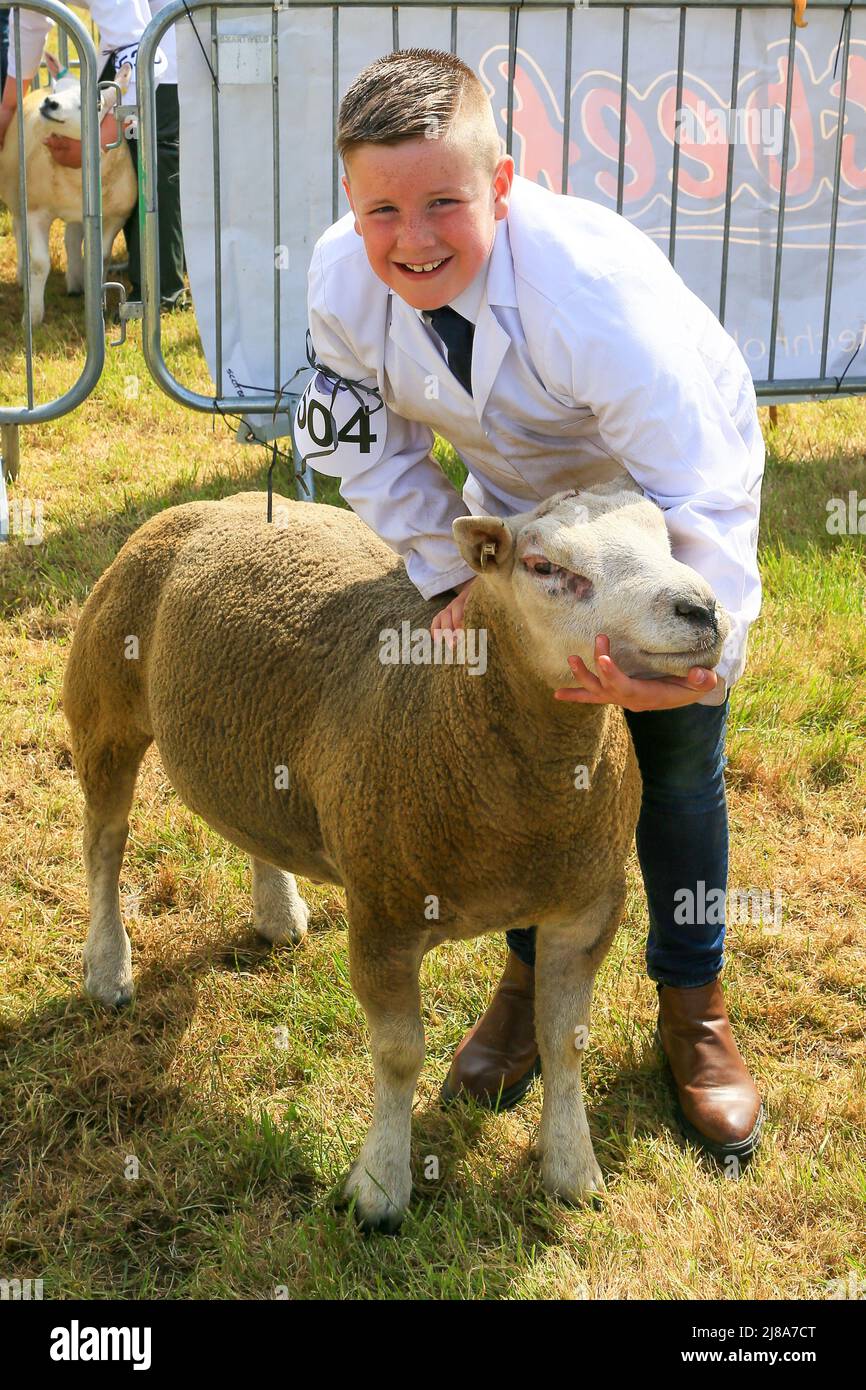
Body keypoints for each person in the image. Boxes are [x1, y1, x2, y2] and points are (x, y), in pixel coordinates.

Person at [296, 48, 765, 1162]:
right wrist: (452, 575)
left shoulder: (593, 297)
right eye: (381, 209)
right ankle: (524, 978)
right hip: (516, 513)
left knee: (676, 751)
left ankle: (691, 1004)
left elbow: (699, 485)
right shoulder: (338, 280)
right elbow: (363, 447)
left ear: (502, 185)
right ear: (349, 205)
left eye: (445, 202)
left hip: (647, 508)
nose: (411, 238)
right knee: (510, 747)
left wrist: (701, 660)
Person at [0, 1, 185, 309]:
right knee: (123, 157)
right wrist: (8, 105)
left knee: (151, 156)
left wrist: (92, 146)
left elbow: (141, 52)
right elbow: (31, 20)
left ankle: (160, 294)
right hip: (126, 48)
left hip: (165, 52)